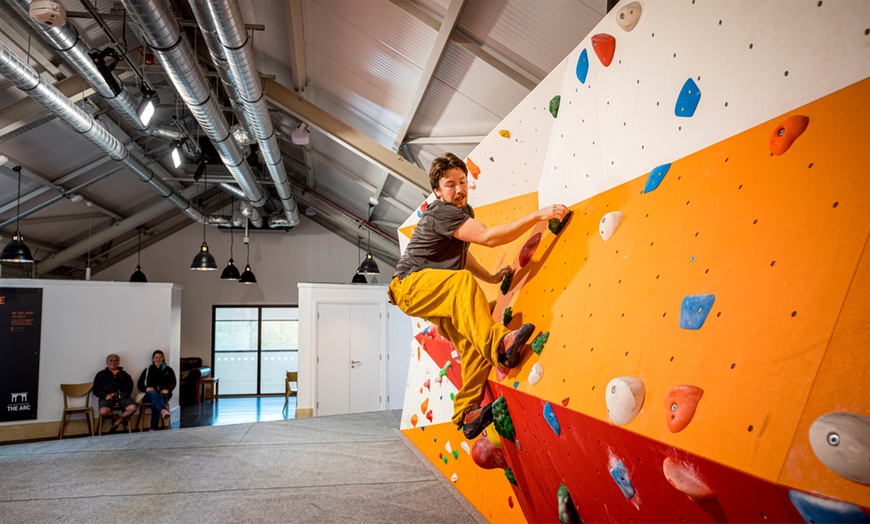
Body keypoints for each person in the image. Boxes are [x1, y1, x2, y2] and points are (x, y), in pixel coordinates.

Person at [388, 153, 569, 439]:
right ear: (437, 190)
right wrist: (537, 215)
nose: (459, 190)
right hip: (409, 285)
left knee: (473, 336)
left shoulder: (463, 212)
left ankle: (467, 413)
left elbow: (463, 255)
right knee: (463, 286)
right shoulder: (442, 212)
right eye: (450, 184)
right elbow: (488, 237)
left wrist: (492, 277)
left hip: (432, 290)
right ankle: (500, 345)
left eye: (463, 182)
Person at [93, 353, 137, 433]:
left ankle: (117, 422)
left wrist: (126, 393)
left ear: (118, 362)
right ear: (107, 362)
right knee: (103, 412)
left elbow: (130, 387)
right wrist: (105, 395)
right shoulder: (101, 374)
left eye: (115, 361)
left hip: (122, 397)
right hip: (107, 397)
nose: (113, 362)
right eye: (111, 360)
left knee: (133, 408)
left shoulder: (124, 374)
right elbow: (95, 389)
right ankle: (115, 417)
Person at [137, 350, 177, 432]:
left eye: (160, 357)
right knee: (155, 394)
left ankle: (153, 428)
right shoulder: (147, 370)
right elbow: (140, 384)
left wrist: (168, 390)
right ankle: (163, 410)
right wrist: (146, 389)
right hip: (149, 395)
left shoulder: (168, 370)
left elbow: (173, 382)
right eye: (156, 357)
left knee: (155, 401)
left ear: (163, 358)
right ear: (152, 359)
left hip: (163, 394)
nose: (158, 359)